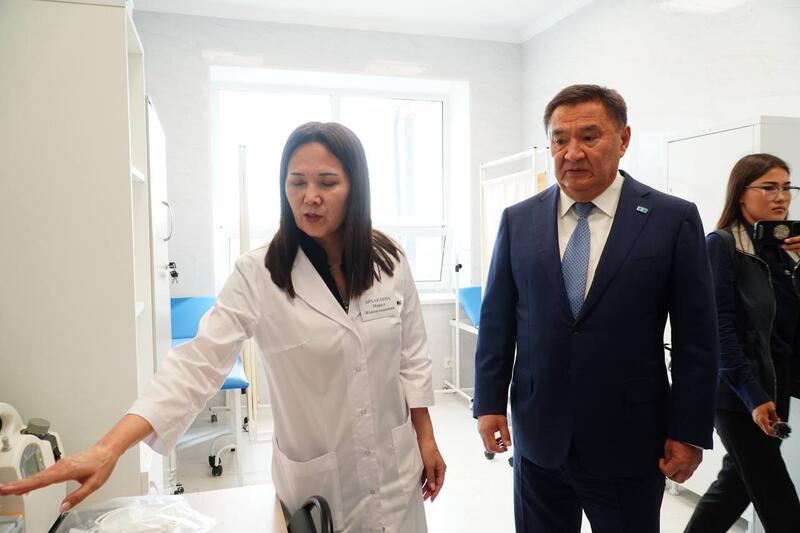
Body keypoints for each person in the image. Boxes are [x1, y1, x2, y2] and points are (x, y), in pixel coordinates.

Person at [0, 122, 446, 532]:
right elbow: (197, 364)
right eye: (297, 182)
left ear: (356, 188)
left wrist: (425, 438)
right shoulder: (259, 273)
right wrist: (110, 447)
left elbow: (411, 356)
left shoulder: (390, 259)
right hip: (320, 482)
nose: (310, 196)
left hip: (395, 471)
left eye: (327, 183)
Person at [472, 84, 719, 533]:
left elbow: (697, 339)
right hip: (538, 435)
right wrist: (488, 403)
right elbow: (497, 322)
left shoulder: (671, 219)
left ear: (623, 139)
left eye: (589, 137)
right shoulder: (519, 219)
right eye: (560, 140)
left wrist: (689, 430)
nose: (573, 153)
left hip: (629, 437)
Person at [684, 153, 800, 533]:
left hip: (775, 383)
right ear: (740, 193)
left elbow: (790, 324)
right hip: (738, 393)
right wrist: (753, 396)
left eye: (787, 187)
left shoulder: (782, 251)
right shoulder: (721, 246)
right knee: (778, 499)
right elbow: (719, 330)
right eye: (769, 187)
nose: (781, 196)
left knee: (733, 489)